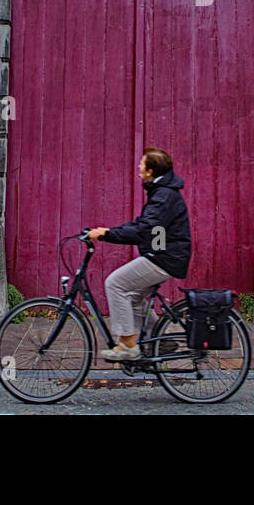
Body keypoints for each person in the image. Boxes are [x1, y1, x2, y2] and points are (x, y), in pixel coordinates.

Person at [87, 146, 191, 361]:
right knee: (133, 297)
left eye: (142, 164)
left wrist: (107, 235)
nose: (138, 166)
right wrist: (109, 231)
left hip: (165, 258)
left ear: (151, 170)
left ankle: (127, 345)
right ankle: (160, 341)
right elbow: (144, 225)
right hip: (162, 254)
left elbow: (144, 230)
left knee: (115, 283)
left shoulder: (163, 195)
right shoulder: (161, 191)